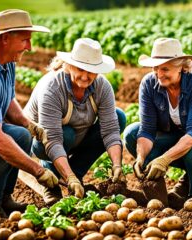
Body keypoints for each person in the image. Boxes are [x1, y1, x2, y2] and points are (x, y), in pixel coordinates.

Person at [124, 38, 192, 207]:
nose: (159, 74)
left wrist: (164, 159)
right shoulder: (149, 84)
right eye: (155, 68)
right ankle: (158, 193)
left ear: (182, 67)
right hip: (182, 136)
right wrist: (141, 157)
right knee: (133, 133)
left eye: (165, 69)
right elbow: (147, 130)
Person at [0, 9, 59, 218]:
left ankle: (3, 197)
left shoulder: (6, 58)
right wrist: (39, 172)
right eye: (25, 40)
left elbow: (9, 99)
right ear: (5, 38)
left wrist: (28, 124)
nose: (30, 47)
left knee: (21, 134)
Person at [23, 38, 126, 205]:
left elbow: (110, 130)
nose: (85, 77)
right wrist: (68, 177)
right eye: (80, 69)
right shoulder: (53, 88)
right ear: (67, 65)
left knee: (118, 117)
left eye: (91, 71)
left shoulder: (102, 87)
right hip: (43, 142)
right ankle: (52, 178)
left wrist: (117, 166)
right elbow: (53, 139)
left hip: (78, 136)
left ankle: (75, 175)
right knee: (67, 134)